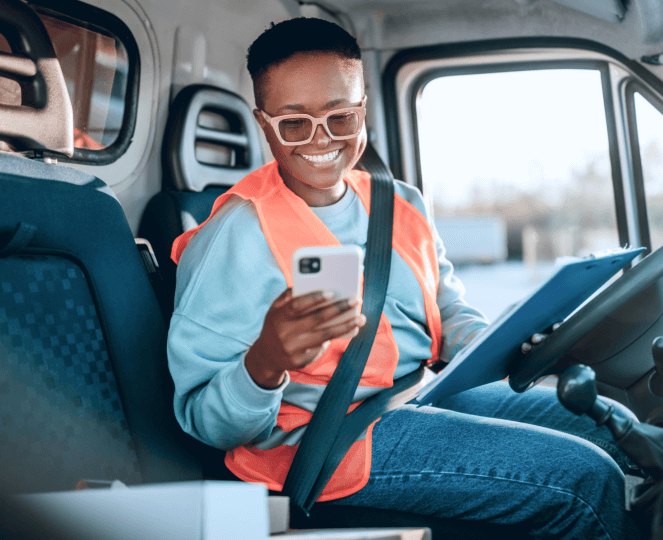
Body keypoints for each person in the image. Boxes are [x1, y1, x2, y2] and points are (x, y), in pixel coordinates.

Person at [168, 17, 637, 539]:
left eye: (341, 117)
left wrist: (504, 341)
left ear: (364, 108)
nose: (321, 139)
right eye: (294, 124)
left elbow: (449, 311)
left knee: (612, 424)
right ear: (263, 123)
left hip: (422, 395)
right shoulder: (235, 236)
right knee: (585, 479)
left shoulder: (402, 204)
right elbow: (205, 421)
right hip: (325, 443)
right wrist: (265, 363)